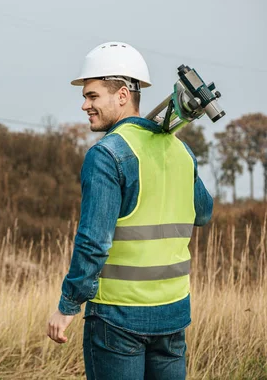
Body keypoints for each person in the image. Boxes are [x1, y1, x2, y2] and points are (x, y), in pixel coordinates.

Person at [46, 42, 213, 379]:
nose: (84, 105)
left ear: (122, 95)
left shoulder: (107, 155)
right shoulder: (182, 151)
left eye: (92, 96)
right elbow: (204, 213)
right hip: (172, 314)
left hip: (117, 318)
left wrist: (68, 304)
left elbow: (94, 241)